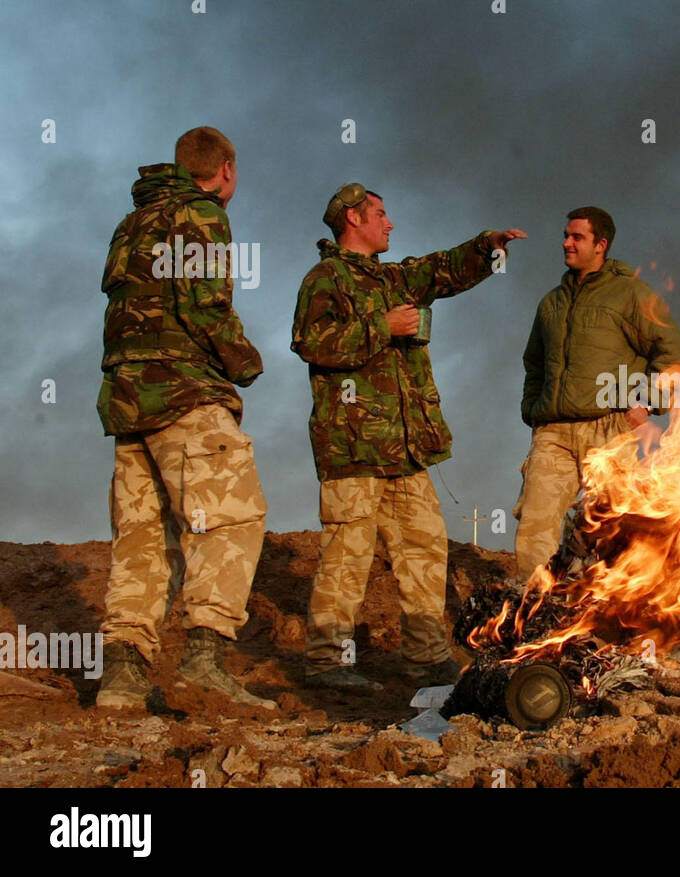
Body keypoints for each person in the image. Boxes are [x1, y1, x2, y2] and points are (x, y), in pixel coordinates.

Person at [292, 182, 525, 691]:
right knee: (346, 555)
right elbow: (312, 344)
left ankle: (425, 656)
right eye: (380, 213)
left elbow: (440, 270)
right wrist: (382, 326)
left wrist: (487, 247)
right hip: (353, 449)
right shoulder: (325, 278)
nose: (389, 222)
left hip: (407, 449)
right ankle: (328, 664)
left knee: (424, 547)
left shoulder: (394, 277)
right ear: (353, 218)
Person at [95, 126, 273, 710]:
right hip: (183, 394)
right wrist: (244, 362)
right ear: (226, 169)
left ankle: (122, 677)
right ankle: (204, 660)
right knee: (231, 521)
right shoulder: (202, 216)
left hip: (127, 401)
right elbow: (205, 303)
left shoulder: (133, 222)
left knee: (142, 539)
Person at [514, 206, 680, 579]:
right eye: (566, 235)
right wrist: (533, 409)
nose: (566, 243)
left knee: (617, 529)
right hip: (553, 433)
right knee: (535, 529)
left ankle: (619, 619)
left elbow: (671, 354)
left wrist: (649, 403)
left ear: (601, 244)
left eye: (577, 237)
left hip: (608, 429)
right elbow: (534, 362)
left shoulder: (631, 294)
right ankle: (536, 615)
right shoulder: (551, 303)